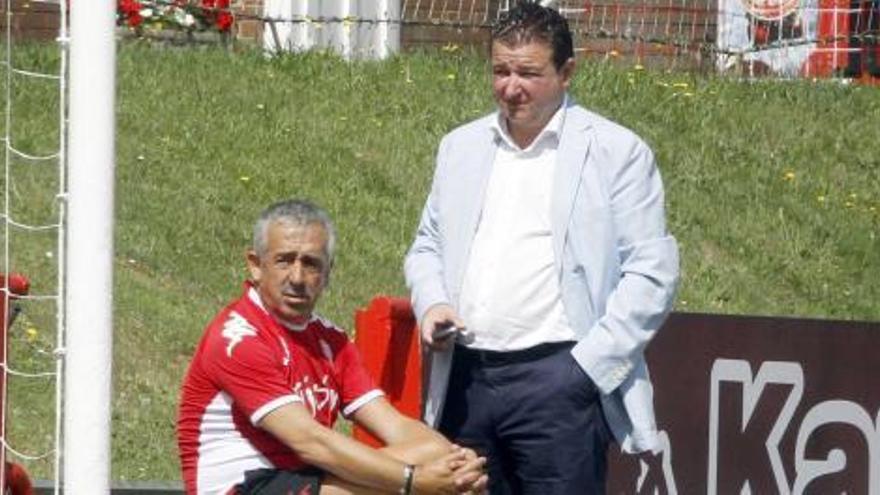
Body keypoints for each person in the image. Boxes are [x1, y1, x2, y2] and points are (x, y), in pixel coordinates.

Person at [404, 2, 680, 493]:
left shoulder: (618, 152)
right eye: (500, 71)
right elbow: (428, 244)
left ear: (566, 72)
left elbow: (652, 274)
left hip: (559, 379)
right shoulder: (460, 147)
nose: (511, 87)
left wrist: (587, 367)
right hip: (466, 377)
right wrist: (434, 303)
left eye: (528, 73)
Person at [178, 199, 488, 495]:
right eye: (284, 260)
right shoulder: (237, 340)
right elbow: (309, 442)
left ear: (328, 273)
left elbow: (395, 425)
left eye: (311, 264)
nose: (297, 278)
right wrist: (412, 482)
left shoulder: (331, 341)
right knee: (405, 484)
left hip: (306, 477)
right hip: (245, 484)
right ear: (256, 265)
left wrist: (457, 460)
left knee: (434, 453)